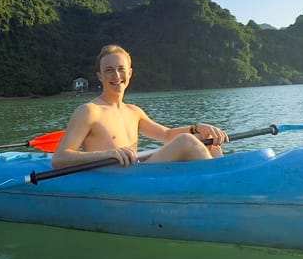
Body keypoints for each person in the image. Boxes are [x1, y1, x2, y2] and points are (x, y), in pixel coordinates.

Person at [52, 44, 229, 168]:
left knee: (209, 143)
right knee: (186, 142)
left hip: (137, 173)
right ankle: (224, 188)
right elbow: (60, 158)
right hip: (116, 180)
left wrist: (198, 128)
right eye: (109, 70)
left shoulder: (133, 112)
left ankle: (228, 183)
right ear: (99, 76)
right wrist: (108, 154)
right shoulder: (89, 111)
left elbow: (166, 135)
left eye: (121, 69)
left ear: (129, 73)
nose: (116, 75)